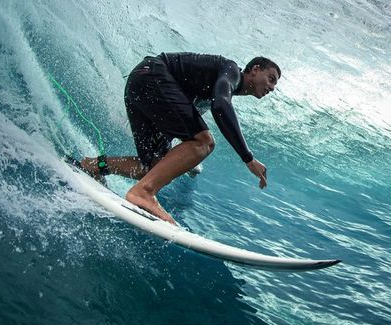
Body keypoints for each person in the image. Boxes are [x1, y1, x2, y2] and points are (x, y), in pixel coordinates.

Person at [78, 52, 281, 225]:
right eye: (271, 78)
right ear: (255, 69)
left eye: (275, 84)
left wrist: (184, 161)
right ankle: (144, 193)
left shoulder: (214, 86)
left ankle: (94, 165)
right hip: (153, 76)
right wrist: (248, 158)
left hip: (140, 82)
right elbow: (220, 106)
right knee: (205, 142)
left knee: (154, 168)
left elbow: (181, 115)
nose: (272, 87)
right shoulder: (231, 71)